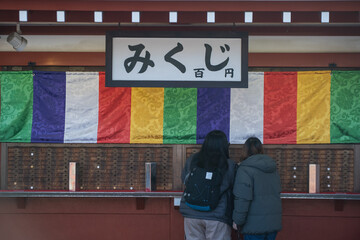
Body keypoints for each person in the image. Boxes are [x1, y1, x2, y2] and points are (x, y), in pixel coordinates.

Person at [179, 130, 236, 240]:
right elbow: (232, 187)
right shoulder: (229, 165)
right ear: (225, 146)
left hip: (192, 212)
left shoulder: (192, 159)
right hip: (217, 215)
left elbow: (185, 180)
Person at [232, 137, 282, 240]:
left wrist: (237, 221)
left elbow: (242, 199)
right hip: (272, 224)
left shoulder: (244, 169)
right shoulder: (273, 168)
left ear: (245, 150)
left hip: (253, 226)